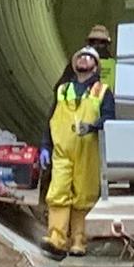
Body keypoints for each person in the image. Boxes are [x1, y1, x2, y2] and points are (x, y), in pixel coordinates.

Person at [44, 45, 111, 255]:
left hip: (87, 152)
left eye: (88, 57)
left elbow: (110, 118)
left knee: (84, 196)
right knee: (58, 192)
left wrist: (92, 127)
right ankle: (57, 238)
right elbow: (51, 120)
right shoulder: (63, 89)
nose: (83, 59)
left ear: (96, 66)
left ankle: (79, 241)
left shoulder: (102, 91)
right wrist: (45, 146)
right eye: (80, 55)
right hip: (62, 151)